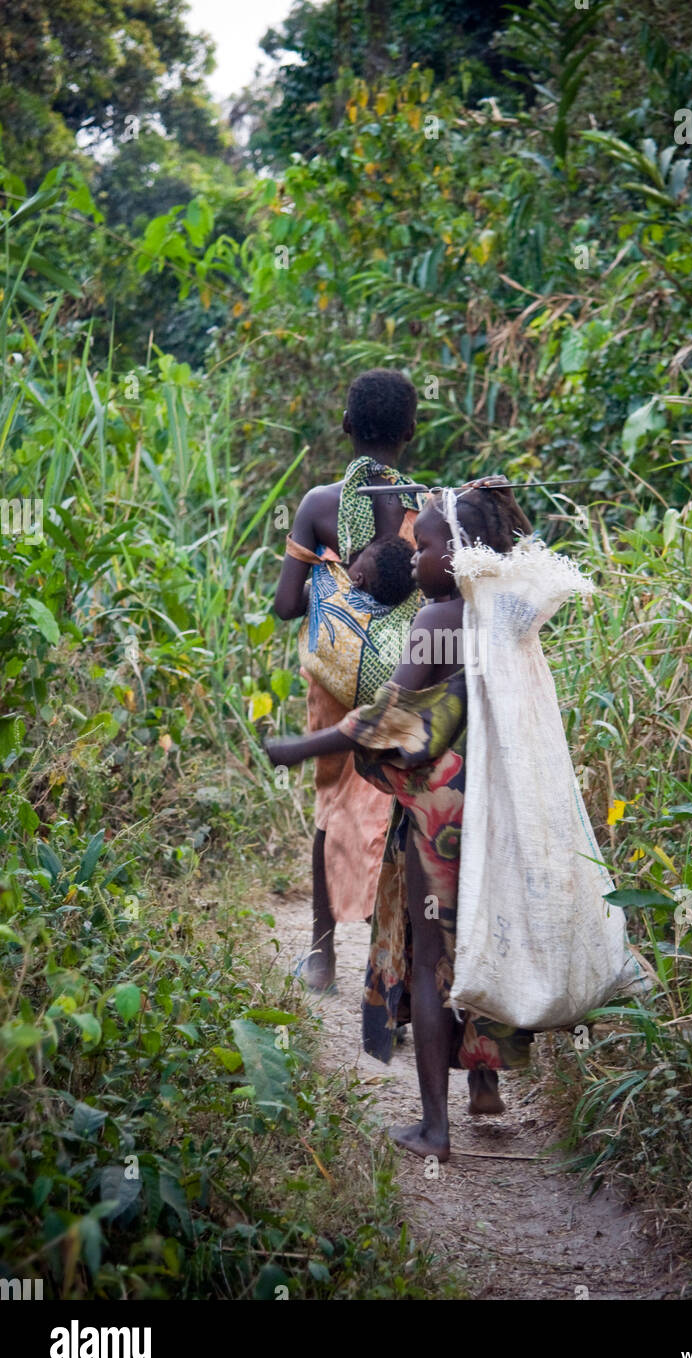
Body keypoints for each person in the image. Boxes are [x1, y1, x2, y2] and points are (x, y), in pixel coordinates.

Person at [265, 481, 536, 1161]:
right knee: (482, 940)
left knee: (429, 957)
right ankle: (481, 1079)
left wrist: (298, 749)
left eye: (429, 546)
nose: (416, 558)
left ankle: (434, 1130)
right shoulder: (504, 614)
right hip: (496, 804)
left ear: (460, 556)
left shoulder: (439, 619)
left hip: (440, 807)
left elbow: (387, 716)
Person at [272, 369, 420, 991]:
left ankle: (322, 951)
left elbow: (285, 605)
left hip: (336, 677)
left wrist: (332, 584)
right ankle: (394, 969)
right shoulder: (428, 505)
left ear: (346, 427)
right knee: (405, 812)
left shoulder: (316, 505)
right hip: (408, 676)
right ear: (412, 432)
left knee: (331, 803)